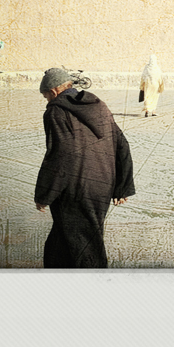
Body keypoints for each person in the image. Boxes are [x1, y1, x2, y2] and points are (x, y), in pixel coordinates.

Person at [34, 67, 135, 268]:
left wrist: (44, 194)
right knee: (62, 242)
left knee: (85, 244)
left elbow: (59, 155)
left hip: (75, 189)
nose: (46, 100)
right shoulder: (99, 106)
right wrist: (121, 187)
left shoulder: (56, 111)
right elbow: (121, 143)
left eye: (45, 96)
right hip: (102, 185)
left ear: (53, 91)